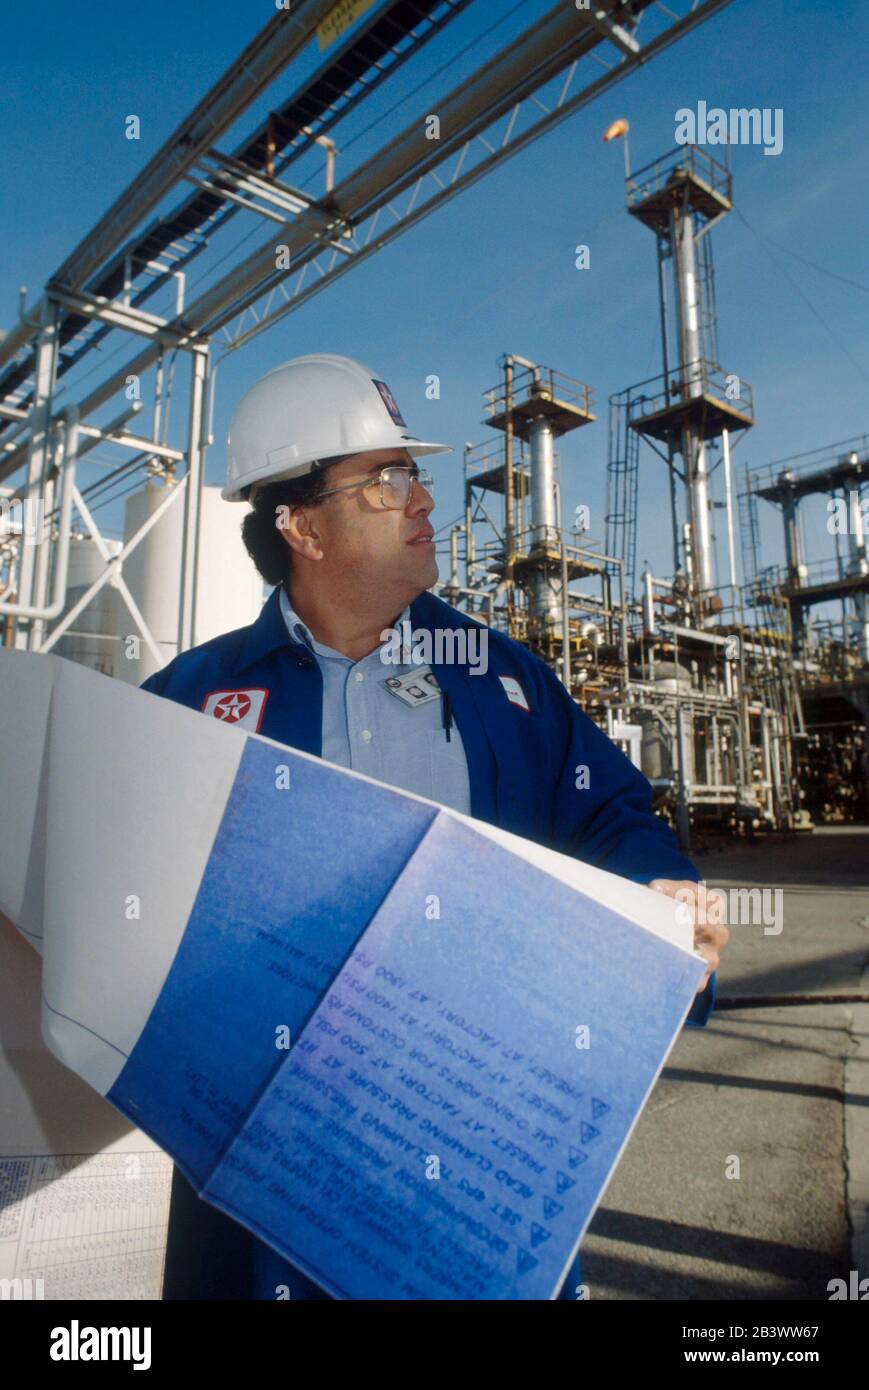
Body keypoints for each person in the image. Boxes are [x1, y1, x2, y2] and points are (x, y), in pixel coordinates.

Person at [141, 353, 727, 1301]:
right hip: (261, 1151)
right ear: (299, 526)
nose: (421, 501)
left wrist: (657, 887)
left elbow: (611, 813)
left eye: (412, 474)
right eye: (384, 479)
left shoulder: (504, 682)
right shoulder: (192, 698)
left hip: (475, 1135)